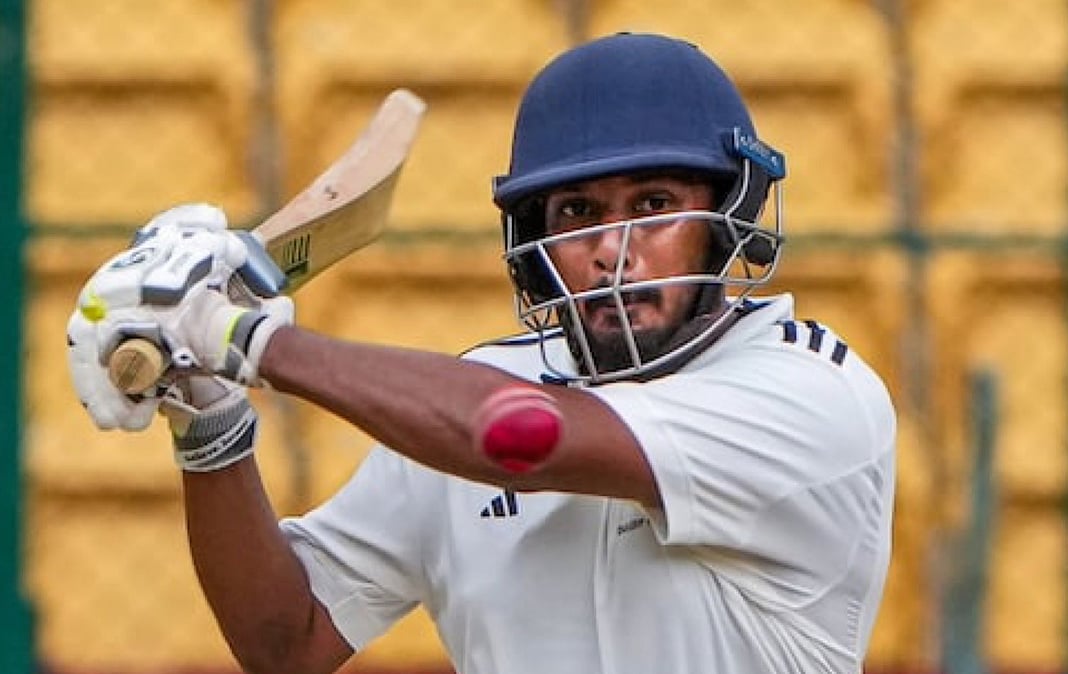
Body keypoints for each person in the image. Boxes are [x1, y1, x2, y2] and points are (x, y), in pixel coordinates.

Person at [67, 32, 897, 674]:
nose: (614, 250)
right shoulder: (465, 396)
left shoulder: (810, 392)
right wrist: (208, 416)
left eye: (654, 204)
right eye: (577, 213)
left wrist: (238, 335)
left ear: (731, 213)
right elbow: (289, 642)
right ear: (532, 242)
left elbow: (521, 437)